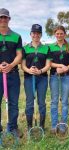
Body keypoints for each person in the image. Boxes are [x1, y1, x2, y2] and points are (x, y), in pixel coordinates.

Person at [21, 24, 51, 131]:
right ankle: (29, 126)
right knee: (29, 102)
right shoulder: (25, 49)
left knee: (41, 102)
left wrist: (40, 71)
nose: (36, 35)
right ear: (30, 34)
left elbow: (48, 65)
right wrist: (29, 70)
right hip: (29, 78)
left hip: (42, 78)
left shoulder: (46, 48)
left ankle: (42, 126)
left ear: (41, 35)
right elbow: (23, 65)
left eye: (38, 33)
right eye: (34, 33)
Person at [0, 8, 23, 138]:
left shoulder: (16, 36)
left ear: (9, 19)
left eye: (5, 17)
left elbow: (19, 55)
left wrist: (11, 65)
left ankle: (13, 127)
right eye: (1, 17)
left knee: (13, 103)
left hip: (13, 74)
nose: (3, 19)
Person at [49, 26, 69, 134]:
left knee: (64, 101)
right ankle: (54, 124)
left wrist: (66, 68)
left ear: (65, 34)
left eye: (61, 33)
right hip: (54, 76)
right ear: (55, 34)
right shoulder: (50, 47)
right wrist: (59, 66)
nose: (59, 35)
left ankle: (63, 124)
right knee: (54, 101)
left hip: (67, 77)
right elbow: (49, 63)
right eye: (57, 33)